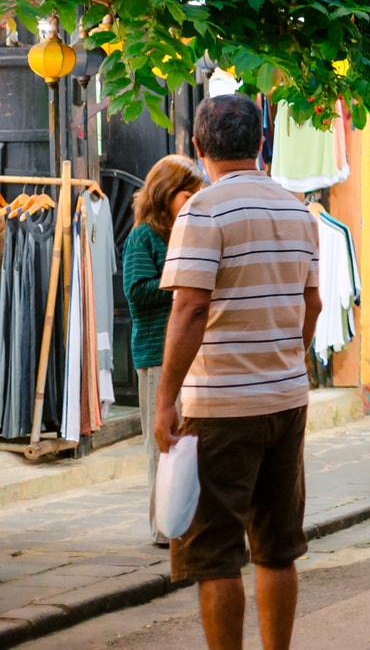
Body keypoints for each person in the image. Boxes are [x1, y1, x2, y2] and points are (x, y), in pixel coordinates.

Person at [152, 95, 321, 650]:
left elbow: (191, 308)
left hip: (220, 406)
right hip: (286, 400)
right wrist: (286, 359)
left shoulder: (203, 210)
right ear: (261, 142)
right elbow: (313, 304)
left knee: (216, 553)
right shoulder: (298, 210)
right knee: (277, 547)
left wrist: (163, 400)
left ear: (198, 148)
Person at [126, 154, 206, 548]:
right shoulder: (143, 236)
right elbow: (136, 291)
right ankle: (163, 529)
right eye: (186, 194)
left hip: (189, 355)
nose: (193, 202)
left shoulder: (187, 232)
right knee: (161, 442)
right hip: (156, 353)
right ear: (165, 193)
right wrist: (181, 284)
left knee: (188, 443)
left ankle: (185, 522)